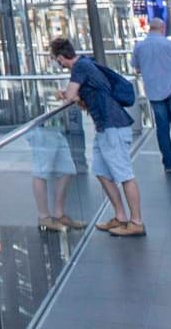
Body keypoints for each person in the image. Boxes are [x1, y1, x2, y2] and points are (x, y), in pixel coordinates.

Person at [52, 36, 143, 237]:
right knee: (101, 171)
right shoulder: (86, 63)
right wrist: (74, 97)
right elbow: (81, 98)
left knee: (124, 174)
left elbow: (70, 95)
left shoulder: (80, 67)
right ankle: (120, 216)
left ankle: (136, 221)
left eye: (57, 60)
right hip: (105, 127)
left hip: (113, 126)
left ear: (60, 58)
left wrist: (63, 95)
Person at [132, 18, 171, 175]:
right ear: (163, 28)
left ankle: (168, 164)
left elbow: (136, 69)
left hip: (154, 93)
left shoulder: (139, 47)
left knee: (162, 128)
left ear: (149, 28)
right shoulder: (170, 44)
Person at [28, 117, 77, 232]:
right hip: (41, 125)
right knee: (41, 170)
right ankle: (44, 216)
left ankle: (59, 214)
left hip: (54, 125)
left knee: (67, 168)